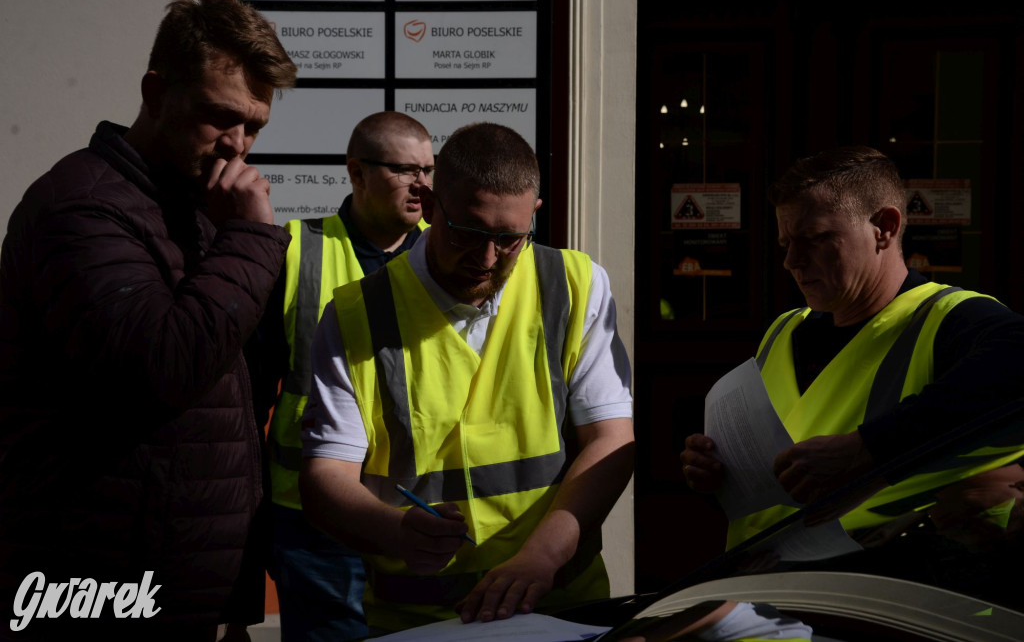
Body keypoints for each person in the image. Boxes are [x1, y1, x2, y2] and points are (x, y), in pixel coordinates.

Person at [0, 0, 296, 640]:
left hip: (180, 588)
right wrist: (249, 242)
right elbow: (158, 365)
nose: (237, 147)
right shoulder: (79, 208)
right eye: (219, 117)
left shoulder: (194, 208)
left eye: (254, 128)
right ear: (155, 92)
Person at [298, 122, 635, 633]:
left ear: (534, 218)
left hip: (558, 604)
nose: (486, 259)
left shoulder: (575, 284)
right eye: (469, 233)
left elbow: (611, 440)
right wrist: (395, 530)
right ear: (430, 207)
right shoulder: (354, 315)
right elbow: (326, 478)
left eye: (508, 239)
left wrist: (542, 557)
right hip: (419, 620)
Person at [681, 146, 1024, 566]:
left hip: (885, 600)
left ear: (884, 227)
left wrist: (867, 452)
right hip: (759, 593)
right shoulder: (784, 329)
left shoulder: (949, 318)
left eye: (815, 239)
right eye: (786, 242)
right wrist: (719, 478)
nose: (791, 261)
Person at [250, 111, 433, 641]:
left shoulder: (445, 259)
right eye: (405, 170)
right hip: (314, 525)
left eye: (429, 169)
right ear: (356, 173)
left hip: (418, 515)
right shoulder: (294, 250)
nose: (423, 184)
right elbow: (248, 398)